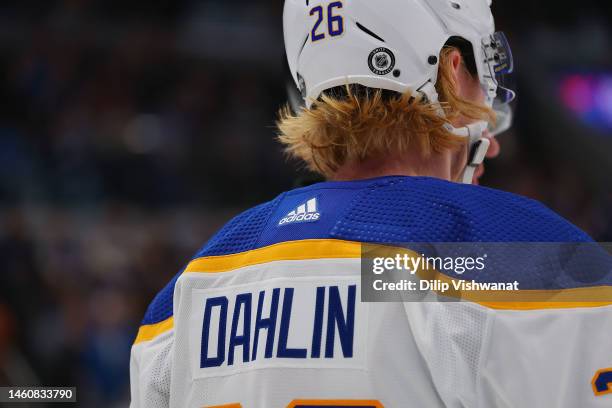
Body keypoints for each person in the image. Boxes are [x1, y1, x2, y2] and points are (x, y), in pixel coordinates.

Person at [129, 0, 612, 406]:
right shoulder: (533, 258)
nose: (493, 136)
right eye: (481, 74)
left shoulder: (186, 293)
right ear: (450, 67)